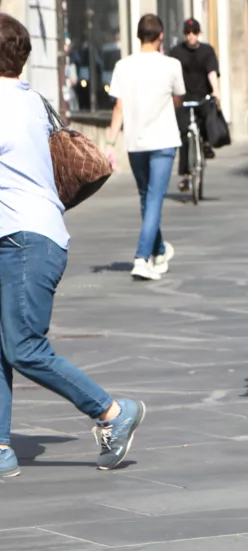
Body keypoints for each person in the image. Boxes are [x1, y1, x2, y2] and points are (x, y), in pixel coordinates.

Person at [0, 12, 146, 477]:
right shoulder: (32, 99)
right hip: (30, 233)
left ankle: (111, 411)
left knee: (24, 347)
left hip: (23, 237)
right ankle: (0, 448)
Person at [106, 14, 185, 282]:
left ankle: (159, 250)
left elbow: (118, 107)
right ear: (161, 36)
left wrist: (109, 142)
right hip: (163, 139)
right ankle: (142, 258)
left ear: (138, 36)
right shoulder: (172, 65)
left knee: (146, 198)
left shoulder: (122, 66)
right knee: (153, 199)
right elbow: (178, 99)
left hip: (135, 141)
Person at [169, 19, 221, 192]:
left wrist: (216, 91)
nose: (191, 36)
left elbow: (212, 72)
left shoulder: (207, 51)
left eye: (195, 32)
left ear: (199, 33)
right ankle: (185, 176)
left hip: (202, 96)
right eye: (188, 32)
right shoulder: (176, 51)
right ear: (185, 34)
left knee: (207, 116)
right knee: (184, 135)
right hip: (183, 98)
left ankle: (206, 144)